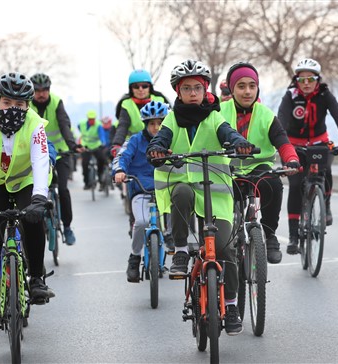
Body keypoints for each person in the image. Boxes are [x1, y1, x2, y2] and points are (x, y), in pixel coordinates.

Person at [147, 59, 253, 335]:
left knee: (225, 248)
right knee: (180, 192)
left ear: (205, 89)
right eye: (186, 88)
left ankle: (230, 306)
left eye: (197, 87)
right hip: (184, 187)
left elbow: (227, 133)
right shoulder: (172, 118)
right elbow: (162, 139)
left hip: (215, 193)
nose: (192, 93)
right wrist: (157, 149)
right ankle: (181, 251)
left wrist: (239, 143)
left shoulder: (214, 115)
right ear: (178, 93)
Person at [0, 72, 55, 331]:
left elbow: (40, 161)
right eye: (7, 103)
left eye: (19, 105)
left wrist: (39, 198)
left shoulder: (36, 124)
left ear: (27, 106)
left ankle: (37, 278)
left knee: (34, 220)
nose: (13, 109)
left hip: (26, 181)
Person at [220, 62, 300, 264]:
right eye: (241, 86)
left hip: (258, 168)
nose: (247, 91)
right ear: (231, 88)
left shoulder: (266, 115)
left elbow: (282, 141)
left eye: (252, 86)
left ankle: (270, 235)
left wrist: (291, 160)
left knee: (273, 184)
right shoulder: (218, 112)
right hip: (226, 170)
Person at [277, 58, 338, 255]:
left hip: (320, 141)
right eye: (301, 79)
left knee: (325, 170)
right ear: (296, 80)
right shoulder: (290, 96)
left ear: (317, 80)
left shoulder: (324, 94)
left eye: (310, 79)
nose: (306, 83)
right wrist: (281, 145)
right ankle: (294, 236)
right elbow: (281, 121)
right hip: (295, 145)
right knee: (295, 186)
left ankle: (326, 206)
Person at [113, 101, 169, 282]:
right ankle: (135, 256)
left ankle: (174, 245)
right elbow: (122, 156)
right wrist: (120, 171)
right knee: (142, 222)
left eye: (160, 123)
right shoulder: (135, 140)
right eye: (152, 123)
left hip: (165, 187)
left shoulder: (173, 138)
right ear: (145, 124)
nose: (156, 127)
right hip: (141, 188)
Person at [30, 73, 81, 245]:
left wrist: (72, 145)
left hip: (61, 153)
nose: (41, 94)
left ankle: (67, 227)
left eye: (45, 90)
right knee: (36, 191)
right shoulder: (27, 104)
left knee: (64, 190)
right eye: (37, 90)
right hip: (37, 155)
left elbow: (64, 125)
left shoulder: (57, 102)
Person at [110, 69, 170, 157]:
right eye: (136, 86)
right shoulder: (126, 104)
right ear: (131, 89)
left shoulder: (160, 100)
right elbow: (122, 126)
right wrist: (117, 144)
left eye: (144, 86)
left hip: (159, 144)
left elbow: (172, 122)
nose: (140, 89)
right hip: (134, 146)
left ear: (150, 87)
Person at [78, 110, 109, 190]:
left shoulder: (98, 125)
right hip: (85, 146)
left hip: (96, 146)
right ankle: (87, 183)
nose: (92, 121)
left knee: (101, 160)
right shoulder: (81, 124)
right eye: (90, 119)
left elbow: (102, 135)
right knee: (84, 164)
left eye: (93, 119)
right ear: (88, 119)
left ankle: (100, 176)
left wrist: (103, 142)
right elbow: (79, 129)